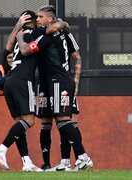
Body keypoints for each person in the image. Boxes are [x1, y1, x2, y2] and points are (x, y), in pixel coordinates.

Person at [16, 5, 92, 171]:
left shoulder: (46, 34)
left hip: (59, 81)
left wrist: (20, 37)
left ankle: (82, 156)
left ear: (50, 20)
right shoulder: (58, 30)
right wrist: (62, 23)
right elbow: (61, 26)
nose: (37, 19)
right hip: (49, 83)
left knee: (64, 120)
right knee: (57, 121)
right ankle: (65, 162)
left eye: (40, 17)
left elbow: (25, 50)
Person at [0, 10, 70, 172]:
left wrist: (17, 27)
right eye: (38, 19)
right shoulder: (34, 33)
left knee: (20, 123)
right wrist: (63, 23)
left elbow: (7, 47)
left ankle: (26, 162)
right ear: (32, 21)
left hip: (10, 81)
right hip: (22, 81)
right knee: (30, 120)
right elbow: (53, 28)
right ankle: (1, 149)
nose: (39, 21)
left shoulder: (19, 33)